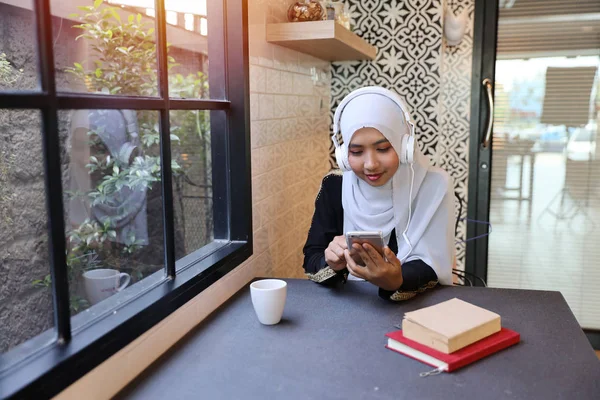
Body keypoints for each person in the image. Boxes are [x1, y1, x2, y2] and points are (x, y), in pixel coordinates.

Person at [302, 87, 455, 301]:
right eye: (356, 152)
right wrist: (330, 263)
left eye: (383, 149)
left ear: (404, 147)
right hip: (351, 310)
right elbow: (312, 260)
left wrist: (397, 280)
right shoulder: (334, 185)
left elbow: (436, 265)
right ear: (344, 155)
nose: (371, 164)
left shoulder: (434, 186)